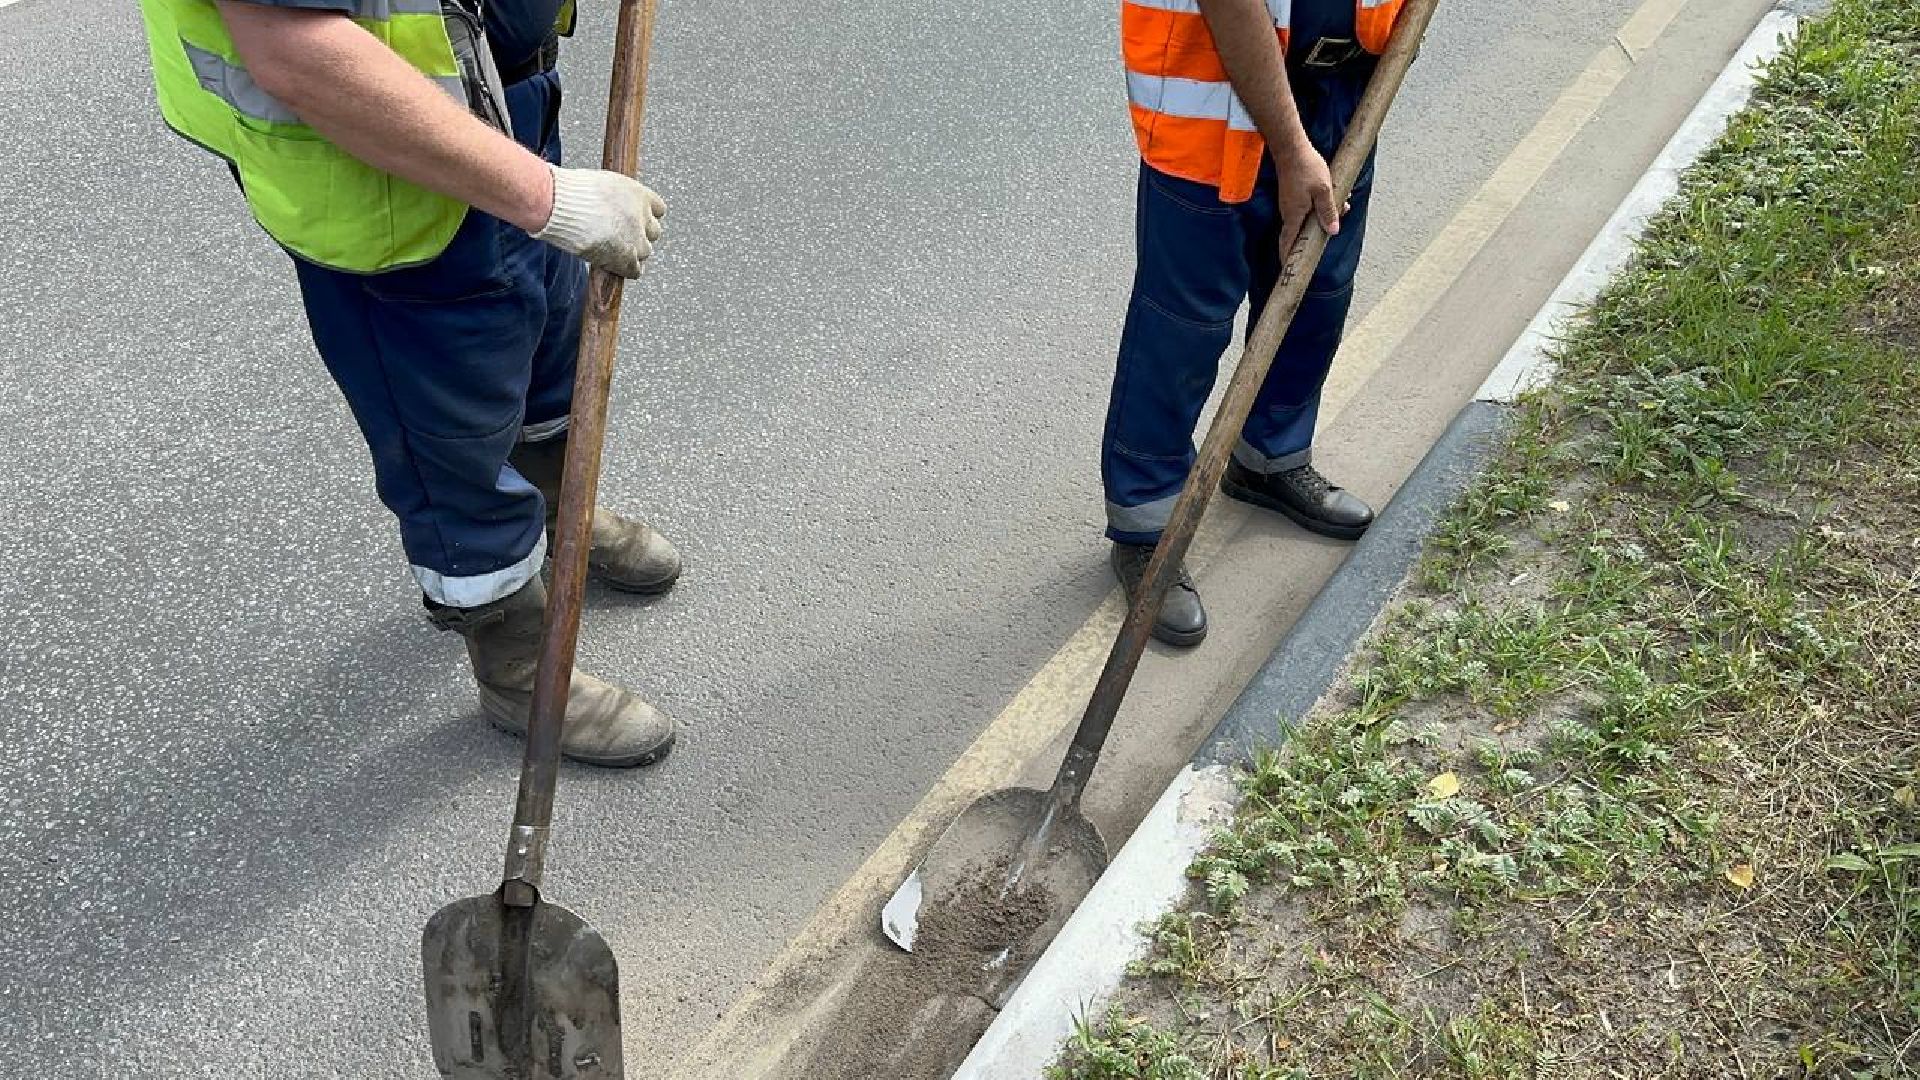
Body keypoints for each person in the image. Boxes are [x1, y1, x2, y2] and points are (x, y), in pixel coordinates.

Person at [138, 0, 681, 766]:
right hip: (380, 182)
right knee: (452, 453)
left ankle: (564, 520)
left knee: (548, 363)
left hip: (504, 112)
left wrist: (535, 185)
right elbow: (299, 53)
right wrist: (547, 200)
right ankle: (519, 669)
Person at [1103, 0, 1404, 646]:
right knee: (1184, 327)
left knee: (1318, 291)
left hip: (1344, 90)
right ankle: (1147, 527)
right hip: (1216, 95)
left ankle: (1270, 457)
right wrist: (1294, 152)